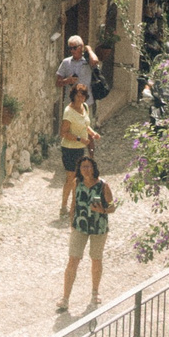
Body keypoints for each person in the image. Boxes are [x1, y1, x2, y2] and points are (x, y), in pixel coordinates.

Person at [61, 155, 115, 309]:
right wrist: (72, 223)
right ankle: (65, 298)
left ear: (94, 168)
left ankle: (95, 292)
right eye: (83, 167)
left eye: (88, 166)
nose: (86, 169)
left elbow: (112, 207)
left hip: (99, 227)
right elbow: (74, 204)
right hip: (80, 227)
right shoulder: (76, 183)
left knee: (96, 259)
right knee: (73, 260)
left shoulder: (103, 186)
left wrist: (102, 209)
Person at [55, 88, 100, 216]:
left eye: (83, 96)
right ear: (73, 96)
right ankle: (64, 206)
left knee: (77, 179)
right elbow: (63, 133)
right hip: (69, 149)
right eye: (78, 96)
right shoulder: (68, 112)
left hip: (80, 148)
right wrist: (80, 139)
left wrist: (93, 133)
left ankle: (74, 206)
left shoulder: (85, 107)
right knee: (70, 178)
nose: (80, 99)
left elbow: (86, 125)